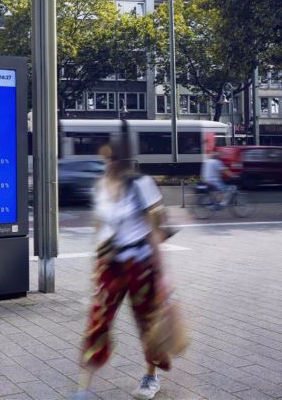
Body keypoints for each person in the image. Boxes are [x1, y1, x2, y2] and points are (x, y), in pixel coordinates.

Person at [74, 136, 172, 400]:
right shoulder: (101, 187)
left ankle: (150, 377)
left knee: (148, 322)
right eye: (105, 158)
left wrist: (161, 272)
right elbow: (100, 225)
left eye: (113, 158)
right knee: (98, 321)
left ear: (125, 161)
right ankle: (84, 387)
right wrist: (98, 262)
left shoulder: (142, 184)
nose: (108, 164)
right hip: (111, 264)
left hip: (141, 264)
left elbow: (156, 227)